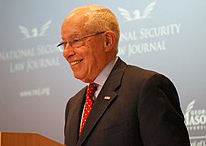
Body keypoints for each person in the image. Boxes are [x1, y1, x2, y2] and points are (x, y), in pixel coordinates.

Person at [58, 4, 190, 146]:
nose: (66, 52)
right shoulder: (73, 104)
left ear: (107, 41)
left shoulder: (147, 86)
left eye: (76, 41)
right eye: (63, 43)